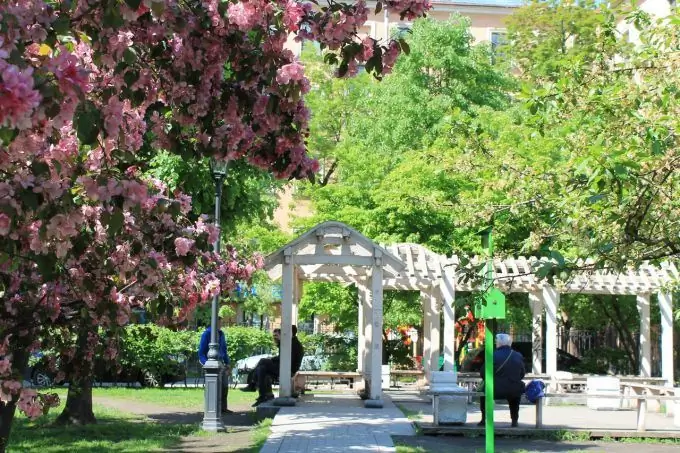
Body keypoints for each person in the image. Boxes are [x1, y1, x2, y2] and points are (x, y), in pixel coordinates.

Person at [478, 333, 525, 427]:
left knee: (483, 392)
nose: (495, 343)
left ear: (499, 343)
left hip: (494, 389)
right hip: (513, 389)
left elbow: (483, 373)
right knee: (515, 396)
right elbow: (522, 373)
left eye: (496, 341)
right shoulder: (518, 355)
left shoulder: (492, 355)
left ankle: (484, 419)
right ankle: (514, 420)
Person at [251, 325, 304, 406]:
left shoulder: (293, 344)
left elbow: (286, 359)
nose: (283, 334)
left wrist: (272, 359)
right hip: (284, 367)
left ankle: (253, 385)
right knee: (261, 368)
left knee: (263, 361)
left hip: (288, 370)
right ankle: (266, 395)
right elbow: (283, 357)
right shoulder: (291, 342)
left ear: (290, 333)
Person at [198, 325, 232, 414]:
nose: (221, 323)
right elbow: (201, 353)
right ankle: (211, 408)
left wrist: (227, 363)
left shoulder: (221, 334)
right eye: (219, 321)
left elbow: (224, 350)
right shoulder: (206, 334)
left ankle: (223, 408)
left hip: (221, 363)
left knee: (224, 386)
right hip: (210, 363)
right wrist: (207, 364)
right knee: (212, 387)